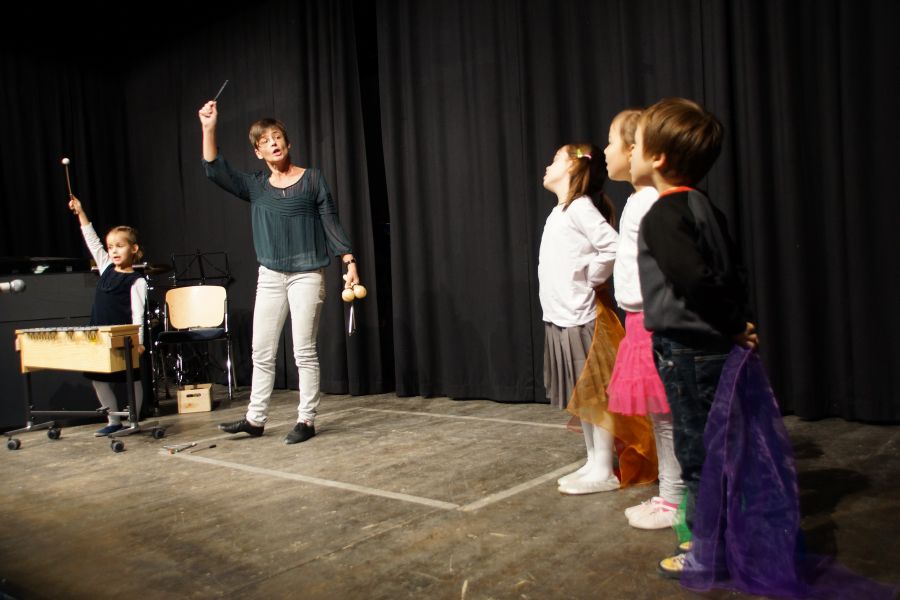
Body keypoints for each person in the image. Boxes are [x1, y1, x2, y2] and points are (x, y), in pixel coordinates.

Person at [632, 97, 757, 577]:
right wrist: (739, 323)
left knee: (698, 452)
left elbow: (696, 279)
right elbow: (733, 273)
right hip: (712, 346)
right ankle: (727, 538)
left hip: (687, 350)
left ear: (658, 157)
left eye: (637, 143)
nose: (631, 152)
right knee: (719, 446)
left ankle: (709, 553)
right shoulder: (704, 205)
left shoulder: (663, 213)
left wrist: (731, 324)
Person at [198, 99, 359, 445]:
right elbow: (214, 168)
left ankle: (306, 419)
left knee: (303, 350)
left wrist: (349, 262)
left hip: (307, 274)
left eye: (277, 137)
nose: (273, 143)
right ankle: (255, 419)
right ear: (258, 152)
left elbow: (331, 222)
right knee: (262, 351)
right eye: (265, 141)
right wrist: (209, 127)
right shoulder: (255, 185)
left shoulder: (312, 179)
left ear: (288, 143)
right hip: (270, 275)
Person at [603, 108, 684, 530]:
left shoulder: (650, 201)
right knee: (662, 417)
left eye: (611, 142)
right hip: (641, 321)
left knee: (669, 417)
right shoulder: (637, 201)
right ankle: (671, 493)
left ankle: (675, 499)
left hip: (654, 321)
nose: (606, 151)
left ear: (635, 149)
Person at [539, 143, 622, 494]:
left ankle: (604, 468)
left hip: (579, 315)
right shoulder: (560, 211)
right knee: (583, 396)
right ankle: (593, 461)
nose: (547, 166)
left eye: (555, 159)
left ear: (573, 167)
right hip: (560, 315)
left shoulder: (580, 207)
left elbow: (613, 246)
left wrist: (591, 278)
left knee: (595, 394)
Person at [68, 196, 147, 436]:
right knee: (98, 378)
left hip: (123, 339)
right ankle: (113, 420)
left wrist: (138, 341)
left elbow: (138, 314)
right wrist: (81, 213)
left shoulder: (137, 280)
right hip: (99, 335)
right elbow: (92, 241)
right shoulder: (105, 268)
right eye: (111, 247)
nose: (113, 250)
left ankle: (133, 419)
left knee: (131, 379)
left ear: (133, 249)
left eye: (119, 246)